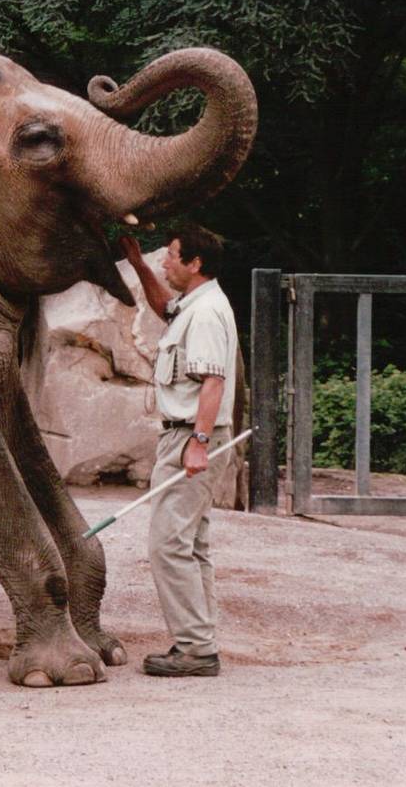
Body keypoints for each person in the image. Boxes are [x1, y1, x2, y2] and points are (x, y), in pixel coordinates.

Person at [118, 225, 237, 678]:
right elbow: (164, 307)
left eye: (170, 256)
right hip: (187, 434)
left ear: (195, 264)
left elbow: (213, 381)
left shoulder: (206, 314)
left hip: (191, 435)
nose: (164, 262)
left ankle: (194, 649)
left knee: (168, 544)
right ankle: (199, 639)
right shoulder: (194, 306)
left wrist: (199, 443)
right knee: (192, 544)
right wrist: (137, 264)